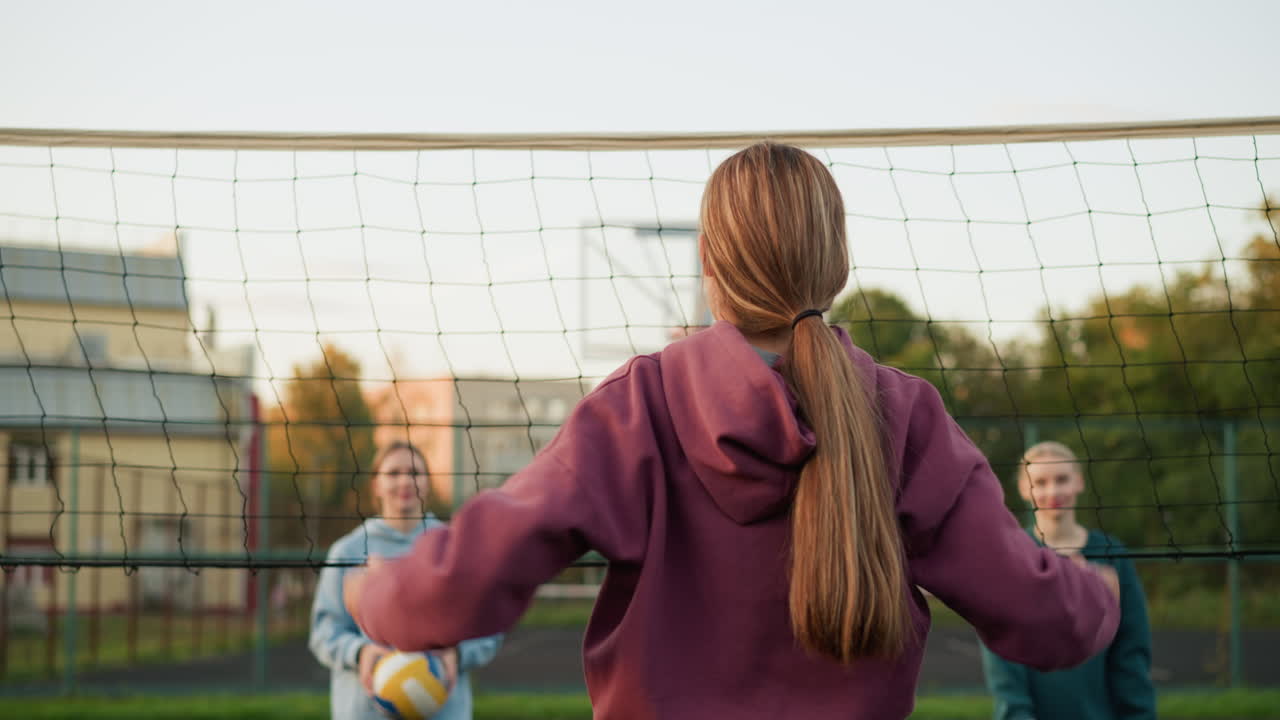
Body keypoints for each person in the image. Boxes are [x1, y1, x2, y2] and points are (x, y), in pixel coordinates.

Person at [343, 142, 1121, 719]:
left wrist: (382, 597)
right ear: (839, 263)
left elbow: (479, 565)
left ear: (708, 260)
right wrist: (1098, 598)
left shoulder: (642, 402)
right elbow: (1044, 615)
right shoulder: (905, 412)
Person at [309, 441, 502, 720]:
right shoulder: (348, 550)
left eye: (414, 472)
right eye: (393, 473)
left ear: (428, 482)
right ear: (375, 484)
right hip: (364, 710)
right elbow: (324, 632)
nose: (405, 481)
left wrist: (457, 654)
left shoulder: (455, 548)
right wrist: (360, 652)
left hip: (443, 710)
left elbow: (488, 627)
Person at [981, 441, 1156, 720]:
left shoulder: (1112, 555)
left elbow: (1131, 650)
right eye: (1040, 482)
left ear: (1079, 482)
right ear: (1025, 490)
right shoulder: (1011, 558)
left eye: (1062, 479)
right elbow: (1004, 662)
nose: (1053, 491)